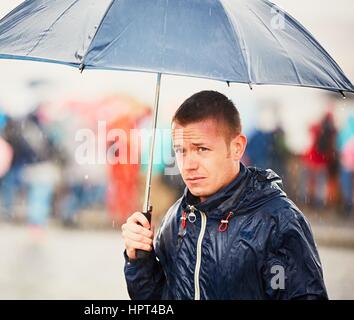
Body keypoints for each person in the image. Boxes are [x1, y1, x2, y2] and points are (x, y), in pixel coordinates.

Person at [122, 91, 327, 300]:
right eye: (181, 151)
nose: (188, 165)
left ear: (236, 148)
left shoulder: (277, 221)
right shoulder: (176, 218)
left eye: (201, 149)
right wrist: (140, 260)